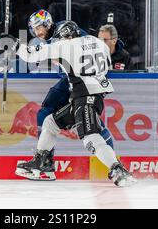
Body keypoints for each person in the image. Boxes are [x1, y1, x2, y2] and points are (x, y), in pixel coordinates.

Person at [14, 21, 137, 187]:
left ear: (66, 35)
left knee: (91, 138)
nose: (58, 42)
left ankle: (117, 169)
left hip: (85, 96)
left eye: (59, 39)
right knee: (51, 122)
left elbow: (30, 55)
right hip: (91, 95)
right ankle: (43, 164)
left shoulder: (67, 45)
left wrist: (14, 46)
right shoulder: (97, 42)